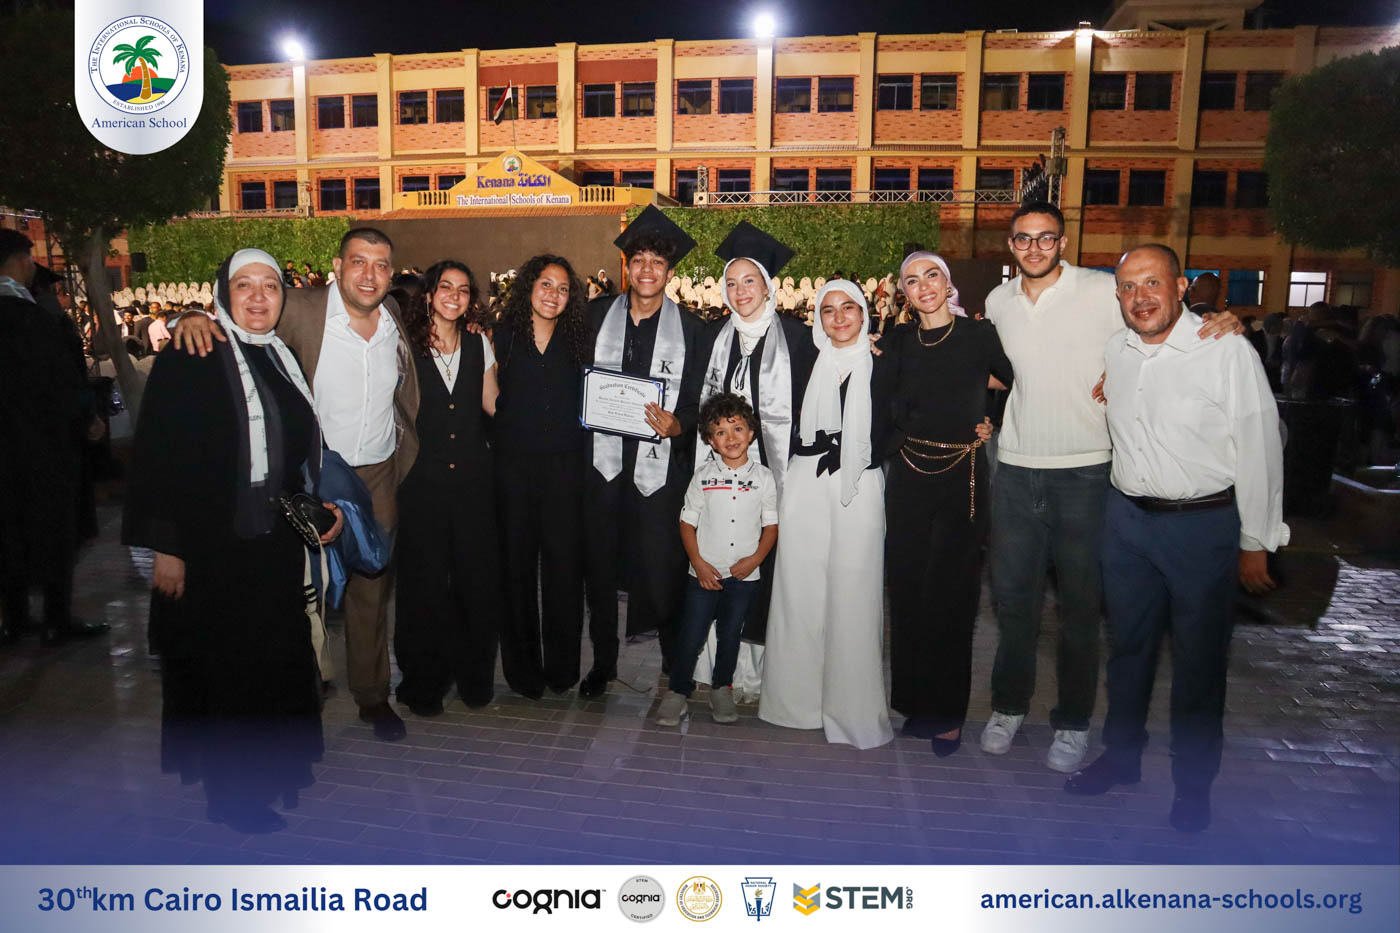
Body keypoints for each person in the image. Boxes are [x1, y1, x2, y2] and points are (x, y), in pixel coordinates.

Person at [980, 202, 1241, 773]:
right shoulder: (997, 301)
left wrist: (1223, 321)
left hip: (1089, 471)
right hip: (1016, 469)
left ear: (1062, 242)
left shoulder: (1104, 290)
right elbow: (1001, 372)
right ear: (1010, 244)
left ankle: (1073, 722)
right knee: (1014, 602)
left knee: (1081, 608)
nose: (1034, 248)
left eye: (1045, 238)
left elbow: (1160, 322)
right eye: (1023, 239)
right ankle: (1007, 706)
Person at [1064, 244, 1288, 833]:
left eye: (1152, 283)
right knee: (1128, 650)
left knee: (1199, 664)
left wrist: (1257, 539)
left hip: (1202, 527)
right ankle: (1121, 758)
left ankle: (1193, 787)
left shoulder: (1225, 349)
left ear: (1181, 286)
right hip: (1127, 524)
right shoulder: (1118, 349)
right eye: (1128, 287)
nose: (1140, 297)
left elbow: (1261, 445)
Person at [123, 248, 343, 833]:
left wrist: (316, 507)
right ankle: (232, 795)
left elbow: (292, 453)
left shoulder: (280, 355)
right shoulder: (193, 352)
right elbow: (159, 455)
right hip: (211, 550)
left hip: (271, 549)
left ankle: (270, 776)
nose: (258, 296)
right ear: (223, 293)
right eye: (244, 285)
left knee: (273, 664)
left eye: (269, 285)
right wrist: (168, 548)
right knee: (227, 672)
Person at [173, 228, 419, 742]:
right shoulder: (302, 309)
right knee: (304, 590)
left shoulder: (393, 315)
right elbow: (243, 319)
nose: (369, 275)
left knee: (371, 592)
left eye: (380, 265)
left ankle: (373, 696)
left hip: (377, 475)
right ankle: (300, 694)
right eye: (358, 262)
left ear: (391, 274)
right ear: (338, 266)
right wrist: (193, 316)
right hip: (311, 478)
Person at [880, 252, 1010, 756]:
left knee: (952, 597)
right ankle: (916, 703)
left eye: (931, 275)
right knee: (908, 591)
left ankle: (948, 715)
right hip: (908, 475)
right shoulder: (898, 341)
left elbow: (1012, 380)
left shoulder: (978, 335)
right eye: (912, 280)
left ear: (947, 282)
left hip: (963, 476)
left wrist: (991, 419)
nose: (924, 286)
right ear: (905, 294)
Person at [759, 281, 893, 749]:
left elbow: (914, 410)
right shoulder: (804, 359)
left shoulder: (884, 362)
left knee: (854, 591)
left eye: (848, 308)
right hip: (806, 480)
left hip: (859, 482)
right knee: (800, 591)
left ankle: (852, 712)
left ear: (864, 313)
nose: (839, 317)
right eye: (828, 309)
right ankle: (795, 705)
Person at [686, 222, 816, 702]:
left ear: (767, 286)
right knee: (719, 562)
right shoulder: (711, 338)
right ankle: (718, 669)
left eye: (750, 281)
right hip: (719, 479)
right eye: (732, 282)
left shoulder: (799, 339)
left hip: (774, 480)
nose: (741, 291)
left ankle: (757, 674)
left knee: (764, 574)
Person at [580, 206, 705, 698]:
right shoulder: (593, 318)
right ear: (626, 267)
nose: (647, 269)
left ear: (670, 272)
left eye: (657, 262)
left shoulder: (692, 329)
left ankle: (674, 665)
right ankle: (603, 663)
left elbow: (700, 399)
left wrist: (681, 425)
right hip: (602, 467)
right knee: (600, 569)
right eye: (638, 260)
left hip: (660, 472)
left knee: (664, 568)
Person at [393, 260, 502, 715]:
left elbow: (494, 404)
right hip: (422, 485)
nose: (454, 296)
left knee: (476, 584)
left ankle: (474, 680)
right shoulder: (404, 345)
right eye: (445, 287)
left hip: (475, 485)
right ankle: (423, 684)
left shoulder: (479, 343)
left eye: (463, 289)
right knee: (423, 587)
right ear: (429, 294)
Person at [0, 231, 107, 645]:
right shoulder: (36, 320)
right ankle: (56, 618)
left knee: (8, 528)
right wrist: (88, 418)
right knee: (54, 528)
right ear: (21, 261)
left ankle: (15, 618)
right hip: (44, 445)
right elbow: (63, 382)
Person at [493, 255, 591, 699]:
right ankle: (523, 672)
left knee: (564, 570)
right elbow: (489, 395)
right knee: (515, 569)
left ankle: (562, 669)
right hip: (513, 467)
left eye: (563, 288)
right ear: (529, 286)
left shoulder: (580, 340)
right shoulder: (502, 337)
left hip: (566, 468)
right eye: (546, 284)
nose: (554, 294)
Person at [658, 392, 777, 726]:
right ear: (710, 440)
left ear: (751, 433)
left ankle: (722, 689)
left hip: (743, 578)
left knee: (730, 636)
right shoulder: (703, 477)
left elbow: (771, 527)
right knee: (691, 636)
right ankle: (677, 691)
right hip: (703, 575)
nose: (731, 438)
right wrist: (697, 563)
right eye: (721, 432)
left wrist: (755, 560)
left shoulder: (764, 478)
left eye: (737, 429)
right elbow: (686, 523)